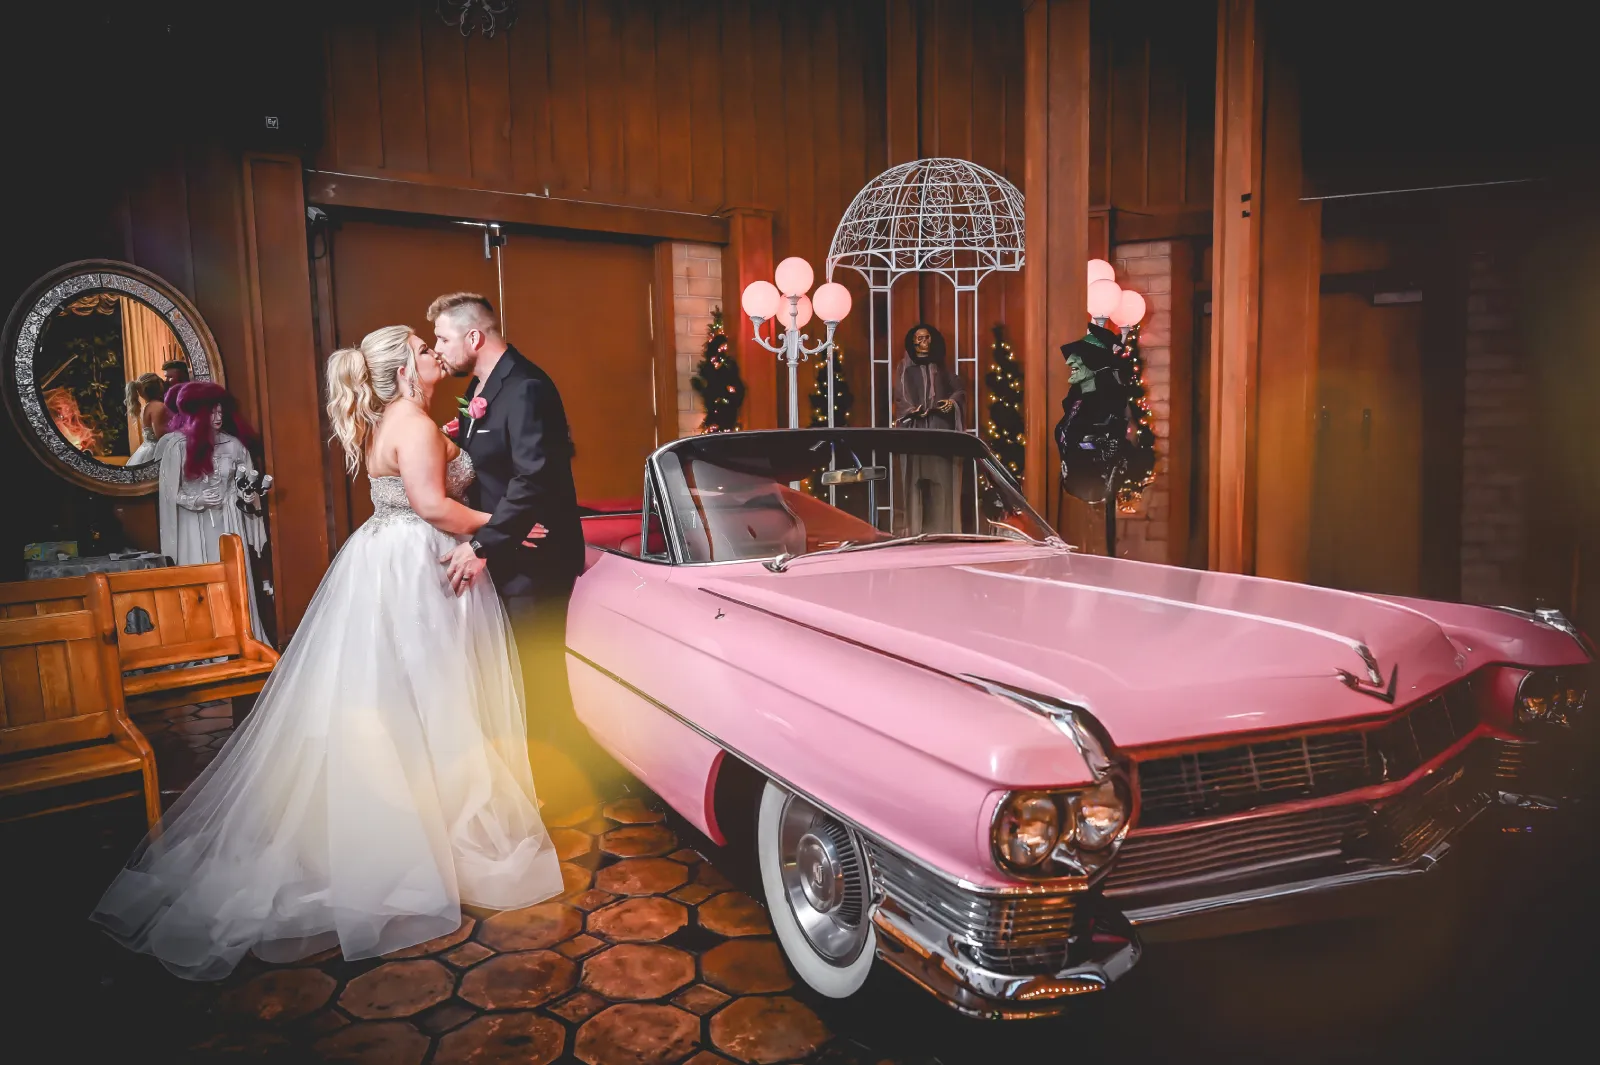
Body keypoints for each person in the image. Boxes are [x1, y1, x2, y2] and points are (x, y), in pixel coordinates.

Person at [91, 325, 564, 980]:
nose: (435, 353)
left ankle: (421, 823)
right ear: (405, 370)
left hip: (383, 557)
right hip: (415, 560)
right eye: (424, 349)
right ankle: (428, 839)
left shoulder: (395, 420)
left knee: (400, 698)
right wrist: (514, 529)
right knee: (432, 694)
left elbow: (437, 478)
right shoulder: (416, 426)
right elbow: (433, 504)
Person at [427, 292, 613, 814]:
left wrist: (484, 543)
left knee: (538, 670)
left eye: (443, 338)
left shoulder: (527, 386)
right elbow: (490, 460)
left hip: (537, 555)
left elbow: (536, 476)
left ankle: (568, 788)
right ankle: (541, 778)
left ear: (473, 337)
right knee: (518, 671)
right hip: (509, 546)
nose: (439, 349)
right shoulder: (480, 386)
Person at [152, 383, 269, 642]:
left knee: (232, 578)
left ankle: (241, 637)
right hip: (194, 526)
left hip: (229, 521)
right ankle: (204, 645)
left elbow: (245, 483)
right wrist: (196, 499)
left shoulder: (234, 445)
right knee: (199, 581)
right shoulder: (177, 446)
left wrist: (247, 496)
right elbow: (169, 493)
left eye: (220, 412)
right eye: (211, 412)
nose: (218, 418)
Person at [891, 323, 965, 533]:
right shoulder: (905, 367)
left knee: (942, 482)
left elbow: (959, 390)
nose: (922, 342)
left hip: (940, 431)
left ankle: (944, 530)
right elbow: (900, 395)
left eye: (925, 338)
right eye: (918, 338)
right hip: (915, 432)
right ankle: (914, 531)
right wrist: (912, 409)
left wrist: (952, 403)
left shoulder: (941, 367)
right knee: (913, 483)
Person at [125, 373, 169, 464]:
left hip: (145, 450)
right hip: (156, 451)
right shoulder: (158, 406)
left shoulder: (147, 406)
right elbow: (161, 435)